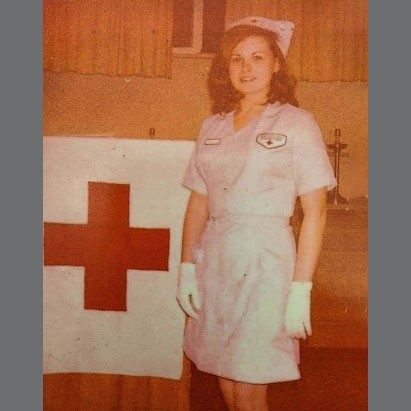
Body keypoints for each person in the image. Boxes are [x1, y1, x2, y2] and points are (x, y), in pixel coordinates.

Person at [177, 16, 337, 411]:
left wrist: (301, 288)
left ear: (276, 64)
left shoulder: (297, 124)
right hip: (215, 259)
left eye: (257, 57)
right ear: (225, 68)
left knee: (250, 383)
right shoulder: (212, 126)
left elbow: (315, 212)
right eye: (236, 59)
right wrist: (186, 268)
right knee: (227, 378)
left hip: (265, 261)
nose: (246, 68)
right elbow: (198, 200)